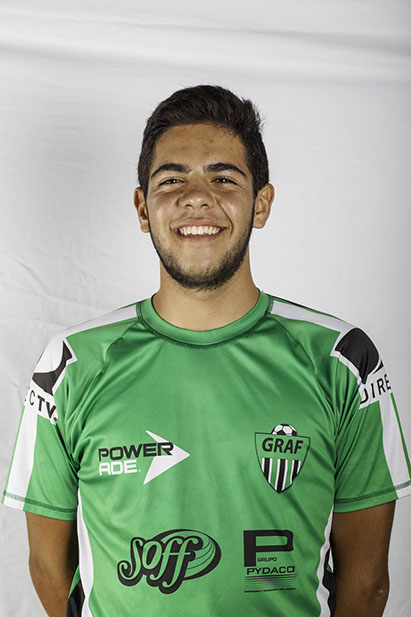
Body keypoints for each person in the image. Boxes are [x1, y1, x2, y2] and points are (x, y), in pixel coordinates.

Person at [2, 84, 411, 617]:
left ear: (261, 204)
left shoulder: (343, 359)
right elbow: (48, 567)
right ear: (143, 208)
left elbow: (367, 583)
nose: (197, 197)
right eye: (172, 180)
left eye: (223, 178)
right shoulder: (69, 365)